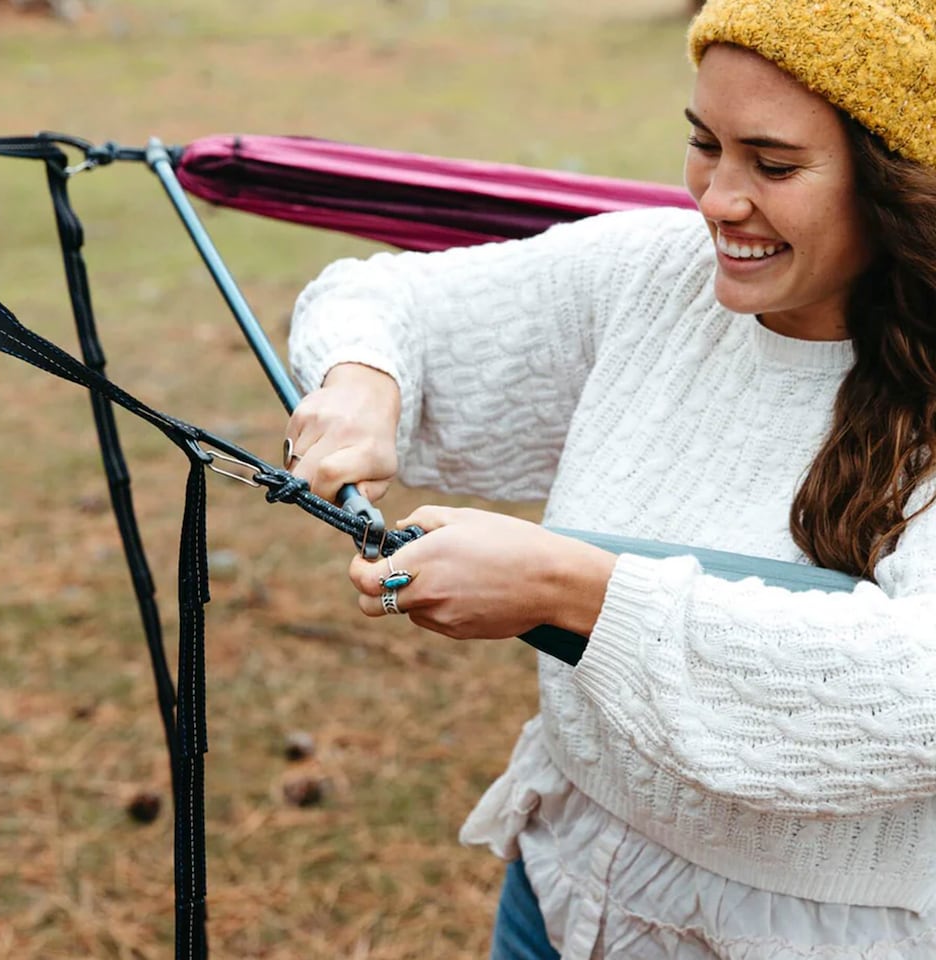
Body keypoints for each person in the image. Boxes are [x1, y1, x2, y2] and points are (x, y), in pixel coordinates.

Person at [283, 0, 936, 955]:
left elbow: (909, 692)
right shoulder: (653, 277)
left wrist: (574, 592)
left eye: (774, 163)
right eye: (704, 143)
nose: (717, 198)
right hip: (562, 882)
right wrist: (362, 383)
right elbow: (384, 300)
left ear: (896, 181)